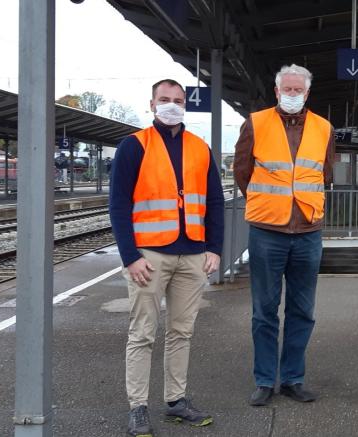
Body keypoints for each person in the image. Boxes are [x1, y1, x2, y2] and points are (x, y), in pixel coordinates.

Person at [109, 79, 224, 437]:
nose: (171, 105)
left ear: (185, 105)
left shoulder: (199, 148)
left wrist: (215, 247)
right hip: (149, 256)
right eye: (164, 99)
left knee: (181, 332)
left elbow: (215, 202)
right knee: (142, 332)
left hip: (191, 255)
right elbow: (119, 204)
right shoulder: (134, 146)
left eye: (177, 100)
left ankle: (176, 401)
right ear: (151, 104)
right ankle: (138, 407)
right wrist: (130, 256)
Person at [234, 64, 335, 407]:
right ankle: (264, 379)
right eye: (287, 90)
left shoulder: (324, 128)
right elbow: (242, 170)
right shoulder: (256, 122)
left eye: (298, 90)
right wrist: (266, 204)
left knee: (302, 310)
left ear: (307, 93)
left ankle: (293, 378)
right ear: (276, 92)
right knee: (264, 310)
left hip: (308, 231)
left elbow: (327, 172)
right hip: (267, 232)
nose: (292, 95)